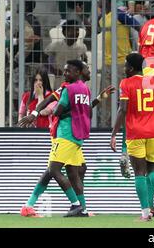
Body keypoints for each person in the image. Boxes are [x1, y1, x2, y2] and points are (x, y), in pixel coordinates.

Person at [19, 63, 115, 217]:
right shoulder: (66, 87)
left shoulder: (85, 89)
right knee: (54, 170)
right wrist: (35, 114)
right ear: (80, 72)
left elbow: (85, 109)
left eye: (67, 71)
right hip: (63, 134)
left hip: (74, 135)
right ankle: (76, 206)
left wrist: (99, 98)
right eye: (87, 69)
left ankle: (78, 208)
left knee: (77, 169)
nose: (90, 71)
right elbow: (51, 102)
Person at [109, 53, 154, 221]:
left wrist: (114, 134)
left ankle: (145, 214)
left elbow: (123, 109)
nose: (124, 68)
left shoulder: (126, 83)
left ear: (132, 68)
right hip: (153, 132)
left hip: (135, 133)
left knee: (139, 173)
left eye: (126, 65)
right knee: (153, 169)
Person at [48, 60, 92, 217]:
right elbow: (88, 112)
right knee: (73, 173)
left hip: (66, 134)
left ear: (77, 73)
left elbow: (57, 112)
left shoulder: (68, 89)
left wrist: (55, 111)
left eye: (68, 71)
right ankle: (84, 209)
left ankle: (75, 204)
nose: (65, 73)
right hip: (78, 136)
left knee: (53, 170)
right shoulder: (86, 89)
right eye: (65, 70)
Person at [44, 20, 87, 85]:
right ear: (64, 32)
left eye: (77, 30)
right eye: (72, 30)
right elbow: (44, 56)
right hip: (60, 81)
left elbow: (85, 60)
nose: (76, 33)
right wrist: (52, 69)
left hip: (74, 82)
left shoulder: (81, 47)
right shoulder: (56, 45)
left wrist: (81, 71)